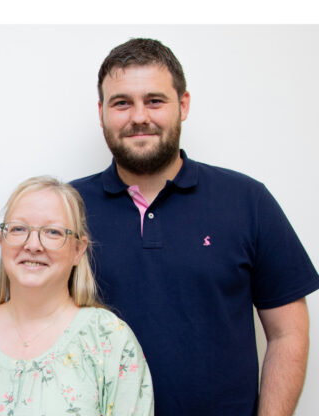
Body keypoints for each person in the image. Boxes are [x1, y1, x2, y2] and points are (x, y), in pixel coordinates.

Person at [71, 38, 319, 415]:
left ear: (183, 105)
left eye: (154, 100)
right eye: (122, 103)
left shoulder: (247, 201)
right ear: (102, 111)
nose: (139, 116)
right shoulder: (66, 209)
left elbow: (288, 333)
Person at [0, 176, 154, 416]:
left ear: (78, 250)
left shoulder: (110, 341)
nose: (33, 244)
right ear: (2, 241)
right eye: (19, 229)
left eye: (52, 232)